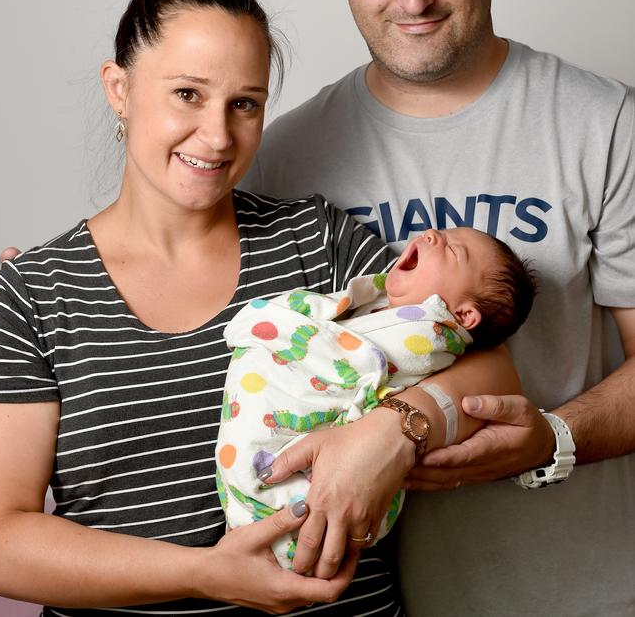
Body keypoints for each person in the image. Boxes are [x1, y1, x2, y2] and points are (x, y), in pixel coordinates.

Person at [0, 0, 519, 616]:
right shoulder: (33, 295)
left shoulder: (316, 239)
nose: (216, 135)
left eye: (245, 103)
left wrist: (391, 429)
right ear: (118, 89)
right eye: (187, 94)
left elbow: (493, 368)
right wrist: (206, 573)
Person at [240, 0, 635, 616]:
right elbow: (206, 316)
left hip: (578, 592)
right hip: (361, 602)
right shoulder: (284, 156)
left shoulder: (607, 124)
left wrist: (552, 436)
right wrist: (46, 286)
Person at [218, 227, 535, 569]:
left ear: (461, 316)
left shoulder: (427, 332)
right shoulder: (374, 308)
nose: (431, 234)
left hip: (319, 493)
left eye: (454, 250)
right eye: (441, 232)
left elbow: (496, 373)